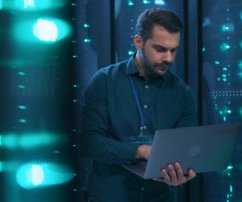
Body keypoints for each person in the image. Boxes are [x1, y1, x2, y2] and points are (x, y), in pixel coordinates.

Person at [79, 8, 197, 202]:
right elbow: (89, 142)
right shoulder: (104, 81)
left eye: (173, 50)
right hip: (109, 197)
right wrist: (141, 151)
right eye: (160, 49)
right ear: (138, 42)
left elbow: (179, 154)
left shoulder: (184, 94)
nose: (168, 58)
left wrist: (180, 175)